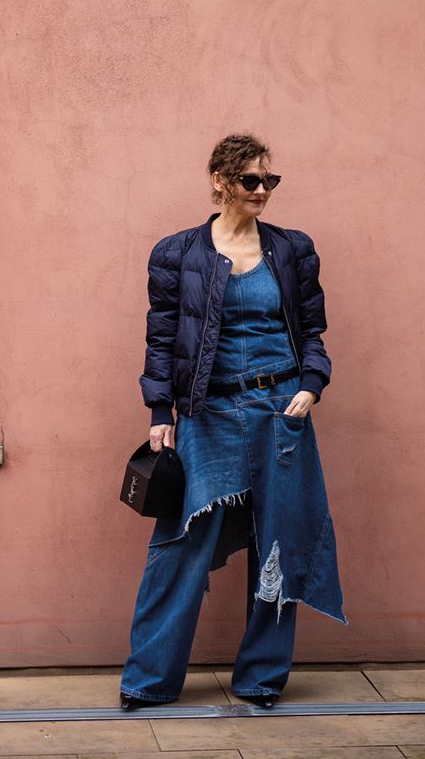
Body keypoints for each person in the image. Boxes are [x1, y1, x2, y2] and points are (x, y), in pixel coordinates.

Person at [120, 133, 348, 711]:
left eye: (270, 181)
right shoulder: (178, 253)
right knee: (180, 544)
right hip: (210, 413)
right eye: (251, 181)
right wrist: (159, 412)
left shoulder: (293, 249)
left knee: (278, 542)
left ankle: (261, 680)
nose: (262, 191)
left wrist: (311, 385)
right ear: (219, 181)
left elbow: (313, 332)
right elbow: (162, 339)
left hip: (280, 415)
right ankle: (148, 681)